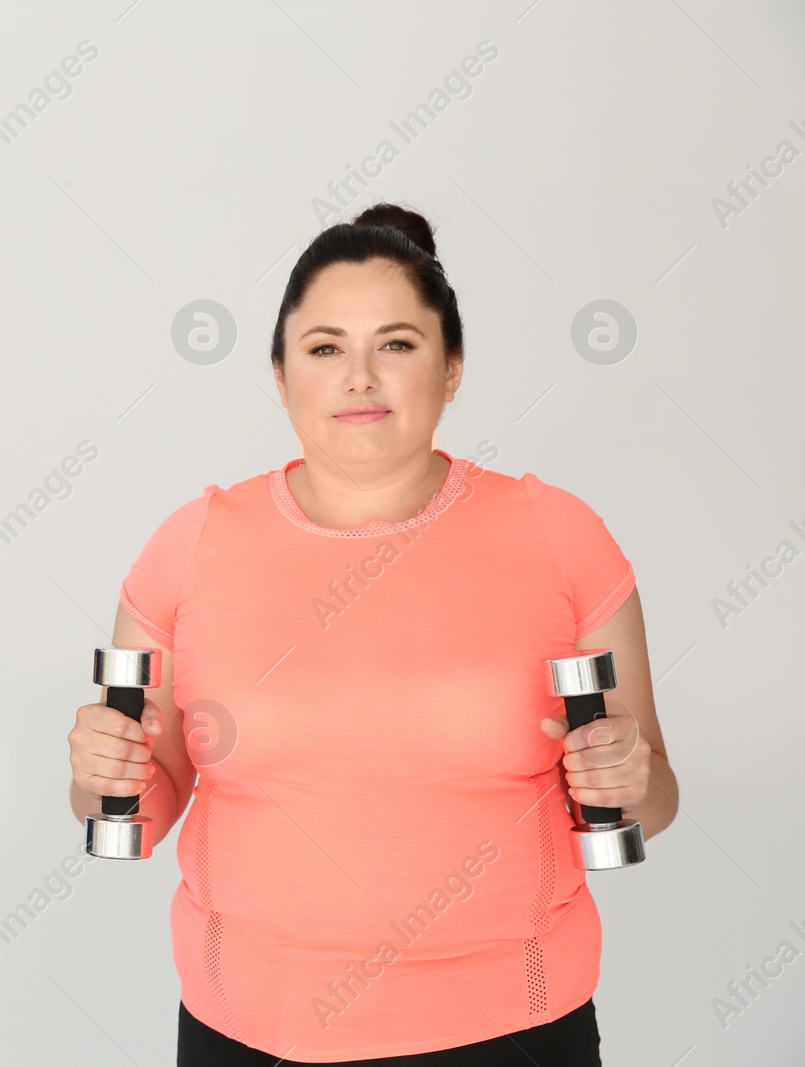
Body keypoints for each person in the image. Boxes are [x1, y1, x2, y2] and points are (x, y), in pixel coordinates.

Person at [67, 203, 677, 1066]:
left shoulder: (559, 534)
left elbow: (654, 796)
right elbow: (141, 802)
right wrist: (101, 777)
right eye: (324, 348)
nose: (360, 377)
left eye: (396, 344)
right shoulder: (189, 546)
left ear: (453, 366)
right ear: (280, 374)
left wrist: (631, 772)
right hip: (248, 1032)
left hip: (514, 1029)